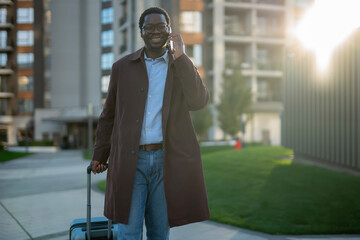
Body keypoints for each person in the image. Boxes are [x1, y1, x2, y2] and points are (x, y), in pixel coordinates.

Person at [91, 7, 210, 240]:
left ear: (169, 31)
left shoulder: (180, 67)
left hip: (166, 162)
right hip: (130, 162)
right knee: (129, 232)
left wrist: (182, 57)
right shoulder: (122, 68)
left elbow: (199, 101)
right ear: (141, 32)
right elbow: (109, 115)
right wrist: (99, 153)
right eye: (149, 27)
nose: (155, 31)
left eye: (161, 26)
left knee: (159, 233)